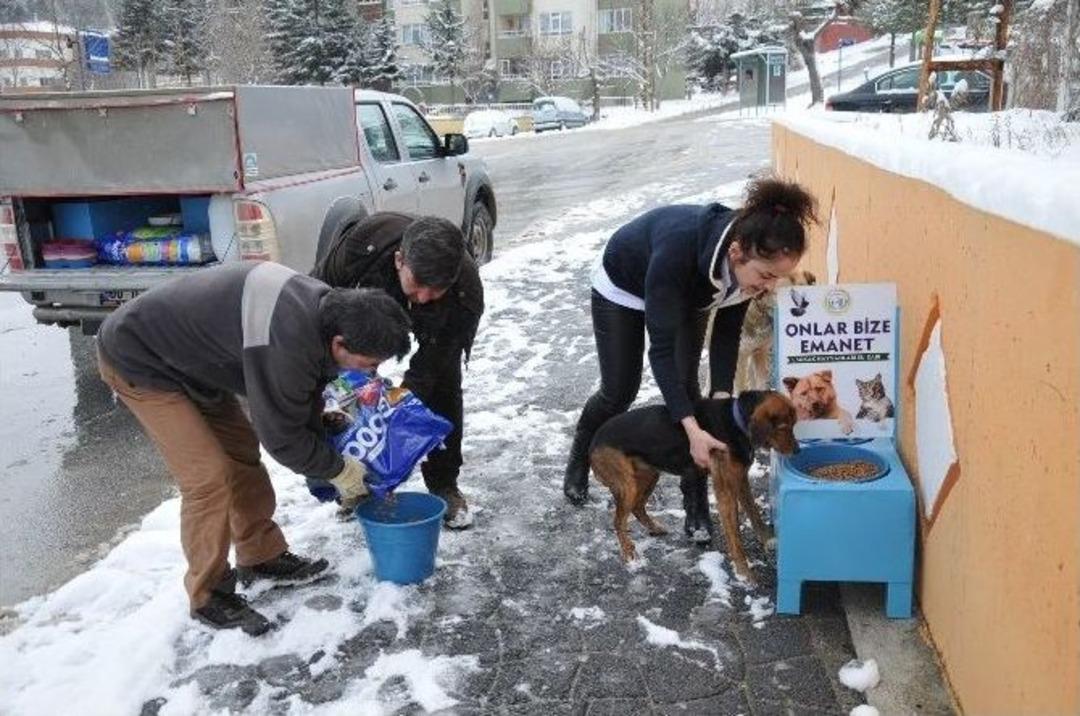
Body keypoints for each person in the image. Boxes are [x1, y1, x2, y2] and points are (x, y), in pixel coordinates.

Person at [97, 261, 412, 636]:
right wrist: (339, 470)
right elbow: (282, 439)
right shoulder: (287, 338)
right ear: (339, 344)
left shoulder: (326, 314)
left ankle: (260, 555)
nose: (373, 371)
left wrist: (318, 426)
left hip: (198, 365)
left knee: (241, 455)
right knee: (208, 477)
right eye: (370, 362)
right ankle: (207, 593)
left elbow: (300, 391)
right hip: (141, 361)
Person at [562, 177, 818, 542]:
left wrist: (718, 398)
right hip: (626, 284)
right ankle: (580, 456)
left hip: (696, 290)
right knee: (620, 390)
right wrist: (693, 429)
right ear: (736, 252)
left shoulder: (748, 264)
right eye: (766, 276)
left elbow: (728, 333)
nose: (770, 287)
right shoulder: (678, 254)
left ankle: (695, 505)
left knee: (689, 390)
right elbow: (661, 350)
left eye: (777, 278)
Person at [312, 213, 484, 529]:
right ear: (399, 260)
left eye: (435, 290)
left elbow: (431, 366)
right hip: (369, 305)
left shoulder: (464, 295)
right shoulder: (363, 246)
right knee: (342, 392)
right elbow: (317, 295)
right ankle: (353, 482)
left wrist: (396, 399)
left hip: (438, 329)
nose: (423, 297)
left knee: (442, 388)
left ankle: (444, 483)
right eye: (417, 285)